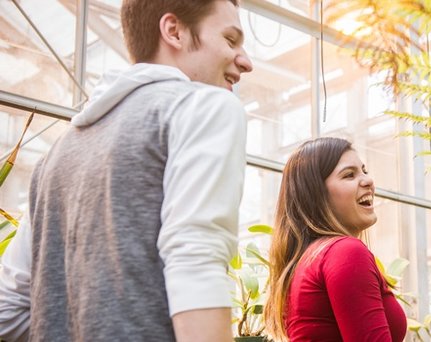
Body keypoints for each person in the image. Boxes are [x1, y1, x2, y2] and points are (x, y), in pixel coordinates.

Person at [0, 0, 252, 340]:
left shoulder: (53, 158)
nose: (246, 61)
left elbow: (9, 310)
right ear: (174, 31)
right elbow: (196, 263)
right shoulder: (204, 106)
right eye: (230, 39)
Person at [263, 137, 407, 341]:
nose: (368, 180)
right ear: (316, 195)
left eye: (364, 171)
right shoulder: (345, 252)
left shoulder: (311, 259)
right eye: (349, 175)